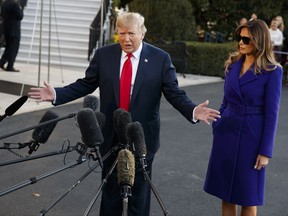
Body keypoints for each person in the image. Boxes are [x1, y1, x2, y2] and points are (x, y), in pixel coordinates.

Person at [28, 12, 221, 216]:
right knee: (110, 193)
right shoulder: (104, 55)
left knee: (138, 194)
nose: (126, 39)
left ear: (142, 34)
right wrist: (57, 93)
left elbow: (174, 93)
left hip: (141, 135)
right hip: (111, 134)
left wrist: (192, 110)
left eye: (131, 33)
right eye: (121, 33)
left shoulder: (160, 59)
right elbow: (85, 84)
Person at [204, 19, 282, 216]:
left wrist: (265, 151)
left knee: (248, 197)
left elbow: (272, 114)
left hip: (252, 138)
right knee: (225, 193)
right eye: (240, 38)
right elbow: (225, 99)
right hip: (226, 133)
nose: (241, 42)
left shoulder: (273, 71)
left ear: (259, 40)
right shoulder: (233, 63)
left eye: (246, 39)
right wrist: (218, 123)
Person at [0, 0, 24, 72]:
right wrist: (20, 8)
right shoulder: (15, 4)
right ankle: (10, 66)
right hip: (14, 30)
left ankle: (2, 62)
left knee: (9, 48)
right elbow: (20, 16)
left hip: (6, 29)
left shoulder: (4, 3)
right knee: (13, 49)